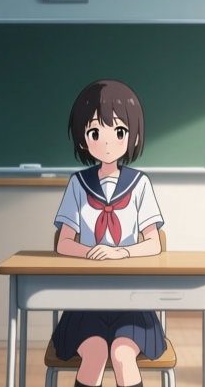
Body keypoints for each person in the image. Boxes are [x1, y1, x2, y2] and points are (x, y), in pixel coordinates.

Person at [52, 79, 166, 387]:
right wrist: (93, 253)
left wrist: (121, 253)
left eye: (118, 132)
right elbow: (64, 243)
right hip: (86, 300)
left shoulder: (140, 184)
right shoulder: (78, 184)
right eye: (95, 133)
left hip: (132, 300)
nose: (106, 143)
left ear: (133, 136)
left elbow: (154, 243)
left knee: (122, 354)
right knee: (95, 353)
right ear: (83, 139)